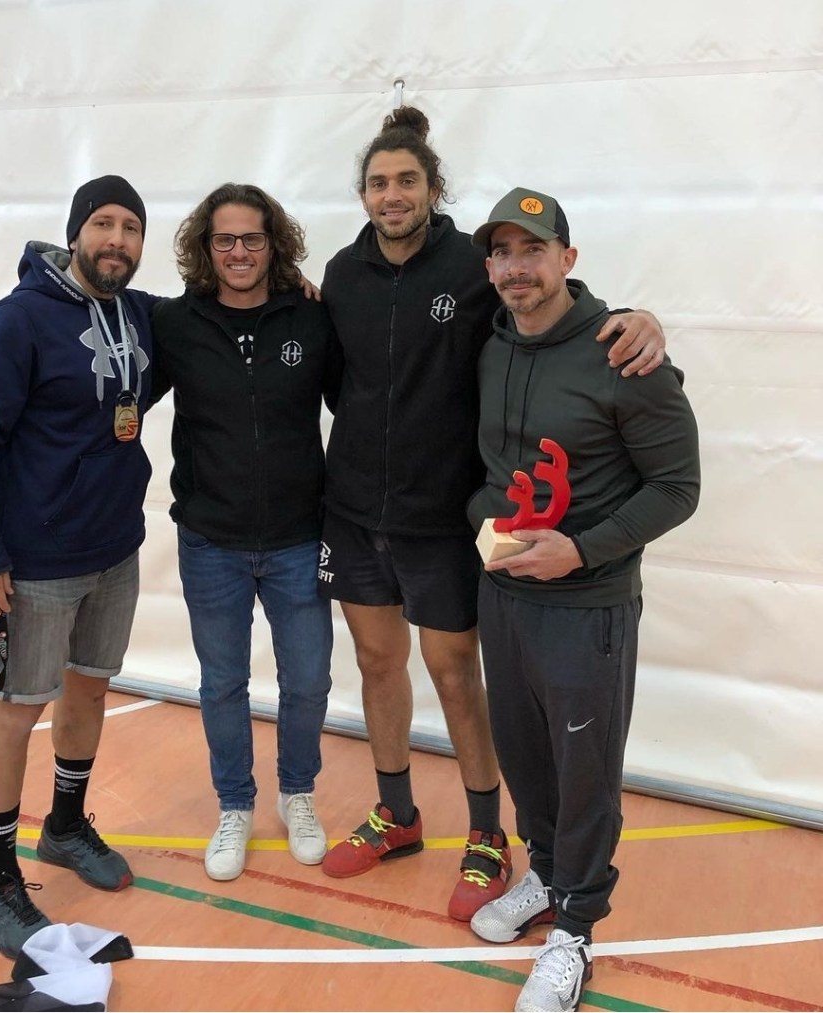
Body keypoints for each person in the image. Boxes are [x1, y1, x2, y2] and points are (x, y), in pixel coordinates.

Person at [317, 107, 668, 923]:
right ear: (363, 194)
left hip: (446, 514)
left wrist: (637, 318)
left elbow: (547, 308)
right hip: (355, 509)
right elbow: (339, 381)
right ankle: (397, 813)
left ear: (432, 188)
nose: (393, 193)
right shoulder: (340, 272)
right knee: (376, 662)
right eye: (379, 182)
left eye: (408, 180)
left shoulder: (473, 267)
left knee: (453, 673)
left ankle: (486, 834)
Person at [466, 188, 699, 1011]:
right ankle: (547, 874)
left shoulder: (623, 354)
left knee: (585, 773)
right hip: (503, 597)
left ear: (567, 258)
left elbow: (678, 485)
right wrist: (485, 530)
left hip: (589, 605)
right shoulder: (493, 345)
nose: (516, 267)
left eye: (533, 249)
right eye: (502, 252)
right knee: (524, 755)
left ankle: (575, 930)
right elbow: (492, 472)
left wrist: (583, 549)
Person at [0, 176, 156, 958]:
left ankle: (64, 825)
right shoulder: (18, 320)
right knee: (16, 708)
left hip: (114, 550)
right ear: (75, 233)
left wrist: (294, 284)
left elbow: (218, 305)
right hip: (34, 561)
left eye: (131, 227)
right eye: (104, 223)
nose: (117, 240)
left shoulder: (139, 313)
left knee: (89, 687)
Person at [149, 183, 341, 881]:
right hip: (211, 542)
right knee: (223, 683)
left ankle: (297, 792)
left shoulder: (312, 318)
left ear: (273, 245)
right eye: (224, 239)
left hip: (298, 539)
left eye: (252, 239)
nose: (238, 252)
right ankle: (235, 804)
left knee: (309, 680)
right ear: (206, 247)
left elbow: (362, 399)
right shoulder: (173, 324)